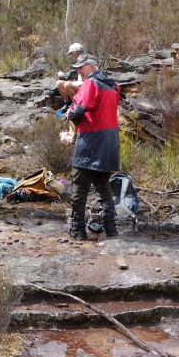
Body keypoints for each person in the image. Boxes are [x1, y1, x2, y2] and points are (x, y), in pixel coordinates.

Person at [65, 55, 121, 240]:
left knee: (79, 187)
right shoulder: (112, 85)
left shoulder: (91, 84)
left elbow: (81, 109)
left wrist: (69, 113)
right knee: (103, 186)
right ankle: (111, 231)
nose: (79, 70)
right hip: (109, 141)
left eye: (82, 67)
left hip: (91, 140)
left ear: (92, 66)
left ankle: (77, 231)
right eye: (77, 67)